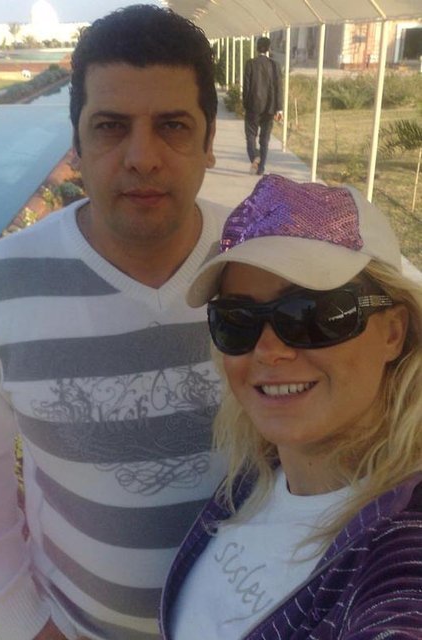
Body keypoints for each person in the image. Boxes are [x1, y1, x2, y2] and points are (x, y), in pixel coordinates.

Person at [0, 6, 229, 640]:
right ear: (76, 143)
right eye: (110, 126)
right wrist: (19, 616)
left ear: (209, 141)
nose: (142, 157)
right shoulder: (1, 285)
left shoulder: (259, 266)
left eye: (173, 126)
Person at [160, 174, 422, 639]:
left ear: (393, 331)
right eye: (237, 320)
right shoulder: (256, 473)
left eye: (310, 314)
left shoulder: (401, 544)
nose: (268, 351)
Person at [243, 37, 283, 176]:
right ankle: (260, 169)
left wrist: (245, 104)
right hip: (269, 108)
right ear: (269, 48)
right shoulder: (275, 65)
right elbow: (279, 88)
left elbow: (246, 87)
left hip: (253, 107)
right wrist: (279, 108)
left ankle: (255, 156)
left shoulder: (250, 64)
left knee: (250, 136)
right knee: (264, 140)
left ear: (257, 48)